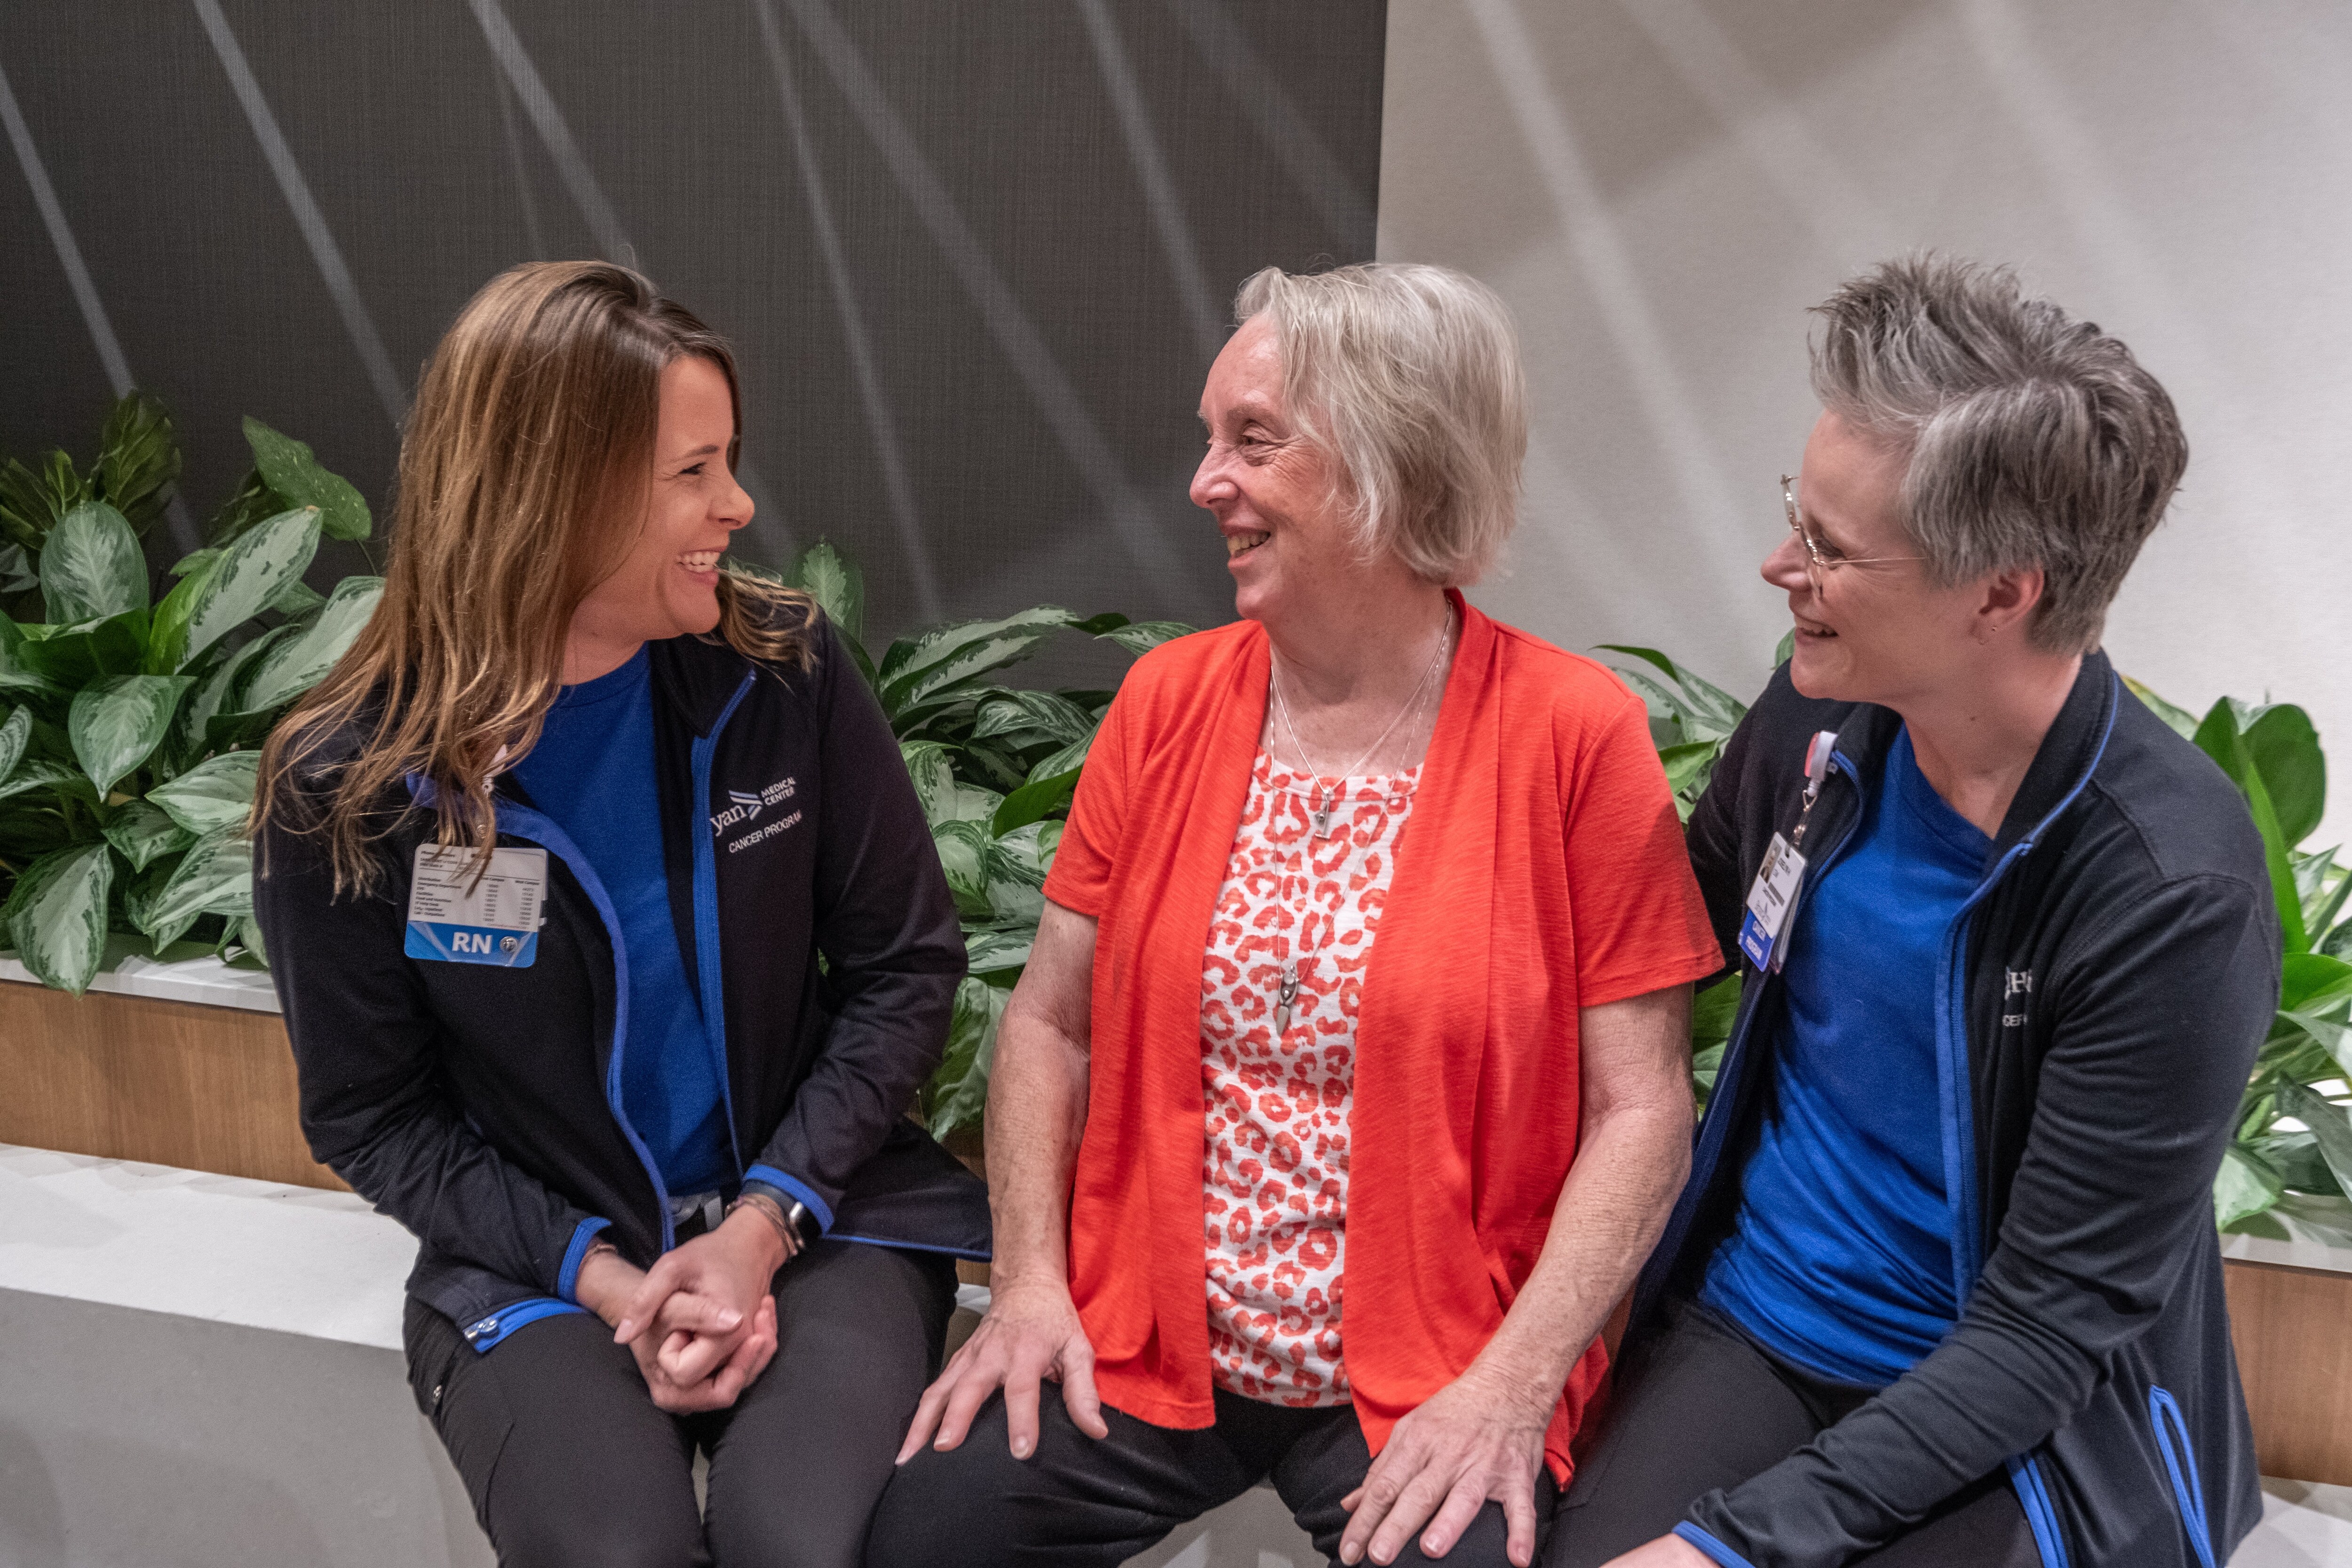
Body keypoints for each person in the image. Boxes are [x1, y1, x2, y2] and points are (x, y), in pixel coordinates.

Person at [865, 262, 1723, 1568]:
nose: (1207, 483)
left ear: (1393, 459)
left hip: (1429, 1370)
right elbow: (1048, 1025)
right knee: (925, 1538)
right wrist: (1032, 1286)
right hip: (1144, 1349)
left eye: (1253, 443)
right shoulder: (1167, 702)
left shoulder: (1573, 738)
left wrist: (1512, 1384)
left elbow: (1646, 1108)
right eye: (1214, 441)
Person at [252, 261, 988, 1568]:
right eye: (693, 473)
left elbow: (904, 971)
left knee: (797, 1548)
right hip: (540, 1263)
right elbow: (373, 1114)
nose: (738, 506)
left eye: (731, 461)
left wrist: (760, 1228)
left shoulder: (782, 670)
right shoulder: (349, 781)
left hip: (816, 1219)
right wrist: (603, 1275)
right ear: (557, 492)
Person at [1548, 256, 2275, 1568]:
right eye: (1795, 512)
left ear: (2003, 592)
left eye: (1828, 547)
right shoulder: (1818, 715)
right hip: (1759, 1326)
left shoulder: (2173, 893)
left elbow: (2042, 1336)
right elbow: (1656, 940)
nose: (1780, 566)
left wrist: (1730, 1549)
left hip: (2008, 1400)